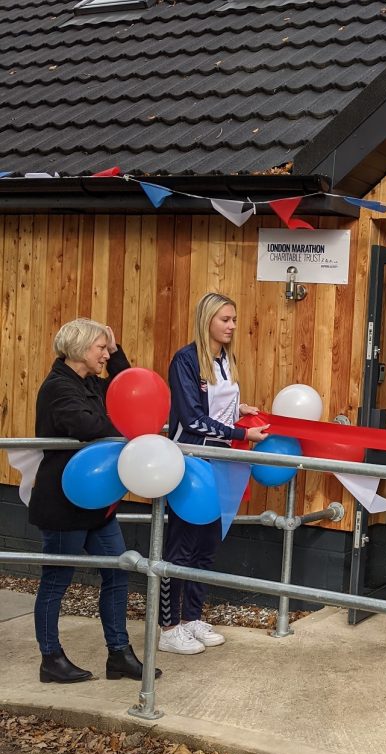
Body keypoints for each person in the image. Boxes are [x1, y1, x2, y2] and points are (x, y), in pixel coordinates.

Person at [29, 318, 160, 684]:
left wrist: (117, 353)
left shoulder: (89, 383)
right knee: (56, 581)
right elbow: (90, 426)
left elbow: (127, 389)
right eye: (101, 348)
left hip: (97, 505)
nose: (106, 353)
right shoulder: (59, 387)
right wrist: (132, 431)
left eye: (107, 348)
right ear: (79, 348)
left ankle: (119, 654)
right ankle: (50, 659)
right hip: (63, 505)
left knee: (118, 573)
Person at [158, 292, 269, 655]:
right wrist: (241, 434)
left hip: (221, 460)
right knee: (181, 546)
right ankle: (168, 627)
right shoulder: (185, 360)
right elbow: (191, 418)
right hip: (192, 461)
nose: (232, 326)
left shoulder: (226, 358)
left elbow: (219, 407)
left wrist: (241, 410)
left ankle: (191, 618)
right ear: (207, 320)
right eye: (226, 319)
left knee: (207, 544)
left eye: (234, 319)